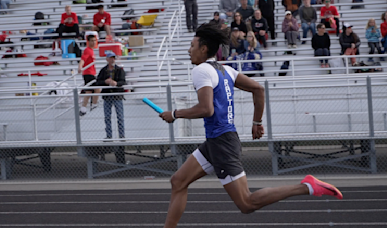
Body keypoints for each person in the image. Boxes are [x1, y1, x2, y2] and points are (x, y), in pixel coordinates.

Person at [159, 22, 343, 228]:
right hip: (216, 142)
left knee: (246, 203)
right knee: (178, 181)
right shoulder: (225, 70)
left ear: (203, 49)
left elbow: (206, 109)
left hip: (222, 144)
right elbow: (258, 89)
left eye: (192, 46)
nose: (188, 50)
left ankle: (306, 186)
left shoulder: (201, 71)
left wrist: (175, 114)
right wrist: (257, 122)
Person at [96, 52, 127, 147]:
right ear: (107, 59)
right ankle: (109, 136)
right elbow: (98, 82)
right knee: (107, 117)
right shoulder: (103, 70)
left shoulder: (119, 70)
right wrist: (105, 82)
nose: (112, 60)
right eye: (111, 58)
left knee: (120, 117)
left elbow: (123, 81)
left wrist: (116, 83)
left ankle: (121, 136)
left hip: (117, 95)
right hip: (108, 95)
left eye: (114, 58)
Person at [78, 35, 101, 116]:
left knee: (89, 91)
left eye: (95, 40)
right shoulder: (87, 50)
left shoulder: (91, 50)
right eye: (92, 41)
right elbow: (82, 59)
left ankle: (83, 108)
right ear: (88, 41)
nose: (94, 42)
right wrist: (80, 67)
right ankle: (93, 105)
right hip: (88, 73)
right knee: (97, 88)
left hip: (91, 73)